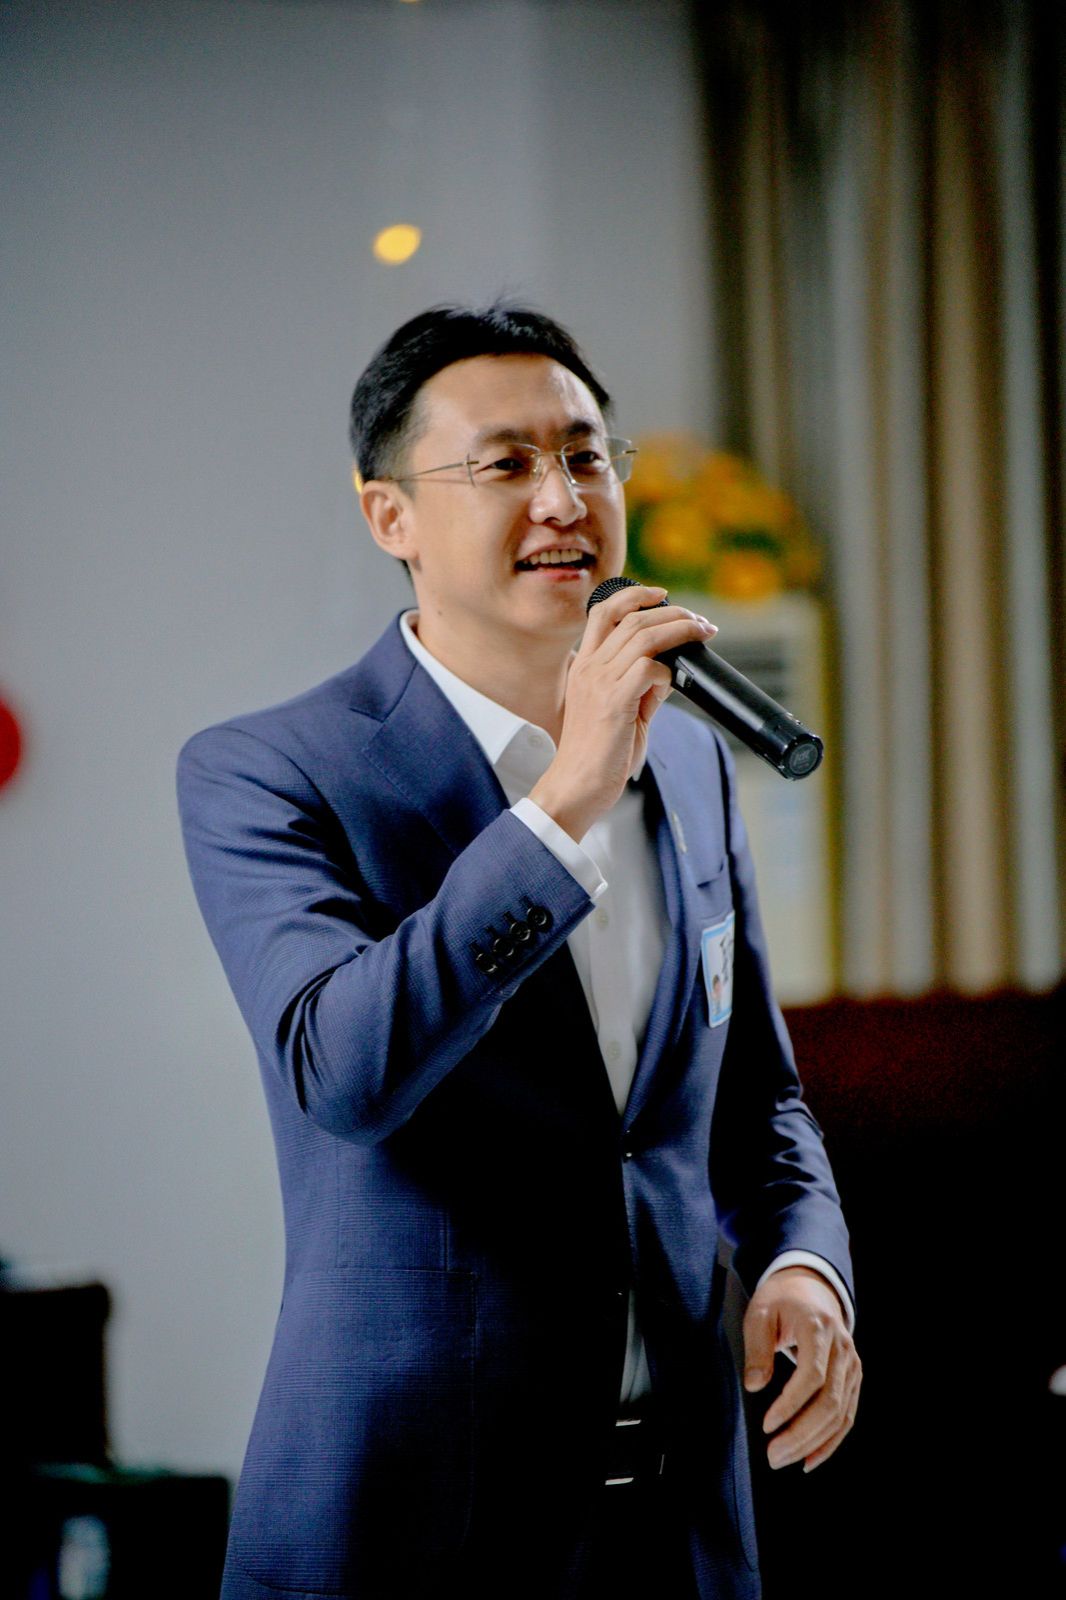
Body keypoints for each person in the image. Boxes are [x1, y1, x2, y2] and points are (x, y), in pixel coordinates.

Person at [177, 303, 861, 1600]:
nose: (562, 499)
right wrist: (563, 803)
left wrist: (803, 1263)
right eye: (504, 464)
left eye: (586, 456)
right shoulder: (269, 772)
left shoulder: (690, 761)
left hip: (680, 1523)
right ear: (389, 516)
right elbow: (345, 1073)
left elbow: (755, 1100)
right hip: (413, 1525)